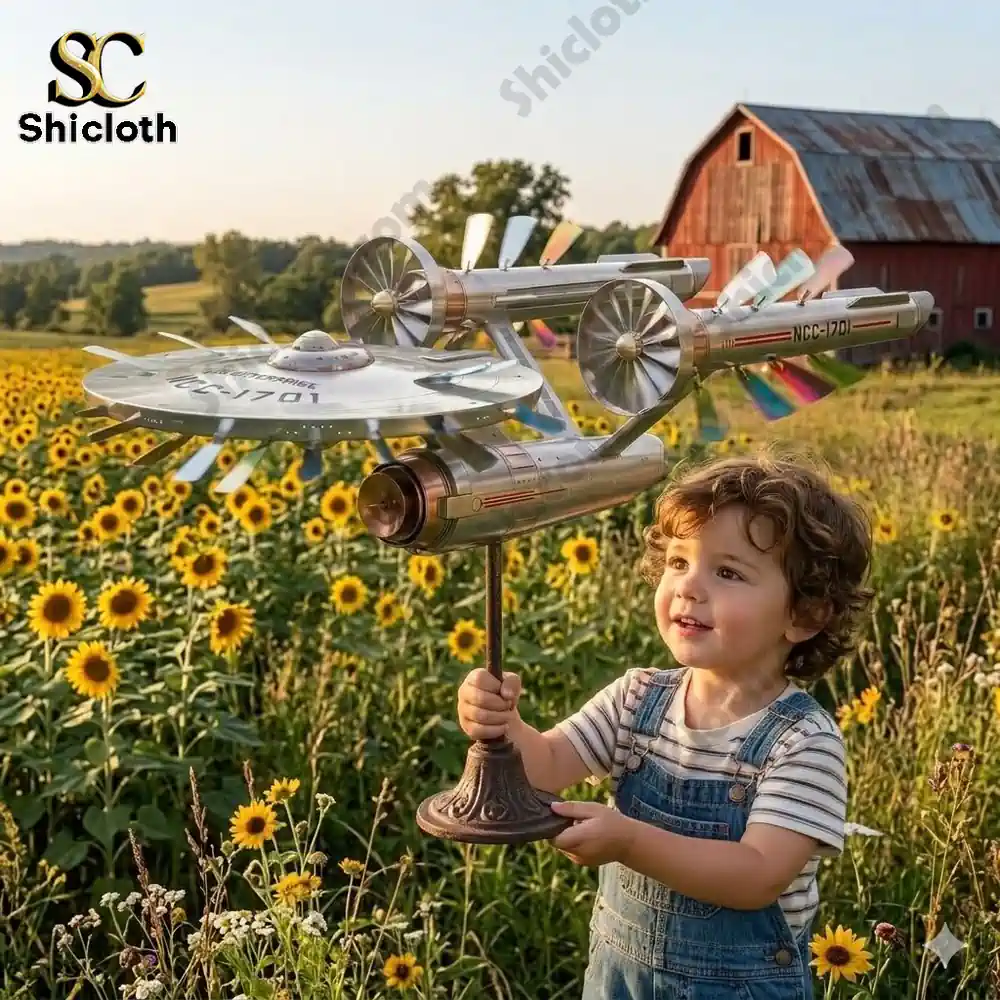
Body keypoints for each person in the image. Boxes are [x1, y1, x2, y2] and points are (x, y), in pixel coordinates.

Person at [456, 450, 874, 999]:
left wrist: (629, 841)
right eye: (679, 562)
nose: (689, 587)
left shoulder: (803, 742)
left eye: (727, 572)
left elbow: (756, 876)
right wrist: (501, 723)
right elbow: (546, 766)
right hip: (621, 981)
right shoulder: (637, 699)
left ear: (806, 615)